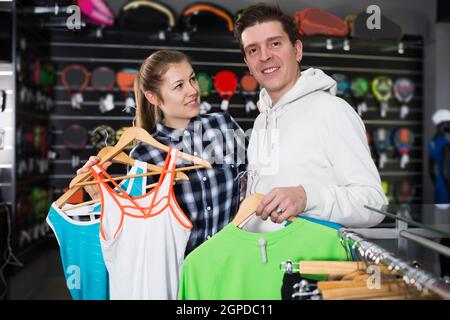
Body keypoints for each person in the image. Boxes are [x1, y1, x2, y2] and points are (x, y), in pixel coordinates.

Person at [234, 4, 387, 232]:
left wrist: (306, 197)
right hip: (261, 262)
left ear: (297, 50)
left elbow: (374, 203)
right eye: (253, 50)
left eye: (275, 43)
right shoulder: (260, 122)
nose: (264, 56)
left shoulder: (332, 111)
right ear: (248, 63)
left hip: (309, 265)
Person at [77, 50, 248, 254]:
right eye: (179, 86)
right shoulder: (144, 157)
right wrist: (100, 197)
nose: (193, 90)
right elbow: (136, 230)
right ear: (153, 97)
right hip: (181, 275)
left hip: (233, 260)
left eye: (192, 79)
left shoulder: (223, 125)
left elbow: (252, 186)